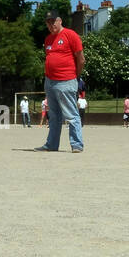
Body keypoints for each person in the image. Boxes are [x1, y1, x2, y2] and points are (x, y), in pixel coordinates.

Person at [35, 12, 84, 153]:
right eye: (48, 23)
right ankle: (51, 144)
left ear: (60, 20)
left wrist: (75, 76)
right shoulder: (48, 39)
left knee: (71, 114)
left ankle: (77, 145)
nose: (51, 25)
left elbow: (81, 59)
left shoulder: (71, 35)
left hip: (66, 80)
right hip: (49, 81)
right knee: (54, 115)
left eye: (53, 22)